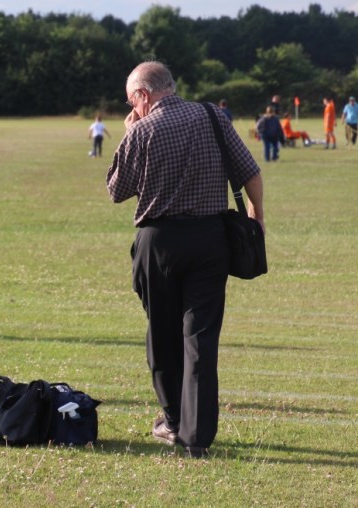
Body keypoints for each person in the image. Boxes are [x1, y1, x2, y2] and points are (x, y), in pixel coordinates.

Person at [106, 61, 264, 458]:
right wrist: (256, 216)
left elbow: (116, 190)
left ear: (142, 95)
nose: (132, 109)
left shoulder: (141, 130)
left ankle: (174, 421)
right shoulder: (213, 116)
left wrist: (129, 132)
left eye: (131, 102)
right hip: (211, 240)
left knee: (162, 334)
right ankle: (197, 438)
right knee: (200, 339)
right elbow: (249, 171)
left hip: (159, 242)